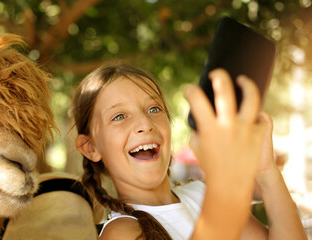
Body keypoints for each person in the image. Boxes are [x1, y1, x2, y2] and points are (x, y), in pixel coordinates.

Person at [72, 63, 306, 240]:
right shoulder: (121, 232)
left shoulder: (202, 194)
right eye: (119, 116)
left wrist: (266, 170)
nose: (145, 123)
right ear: (90, 147)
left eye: (154, 108)